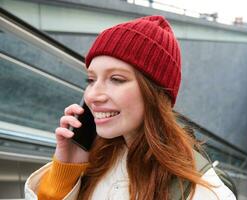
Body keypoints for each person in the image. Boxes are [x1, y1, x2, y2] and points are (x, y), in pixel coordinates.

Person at [25, 15, 236, 200]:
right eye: (91, 79)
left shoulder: (202, 192)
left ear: (155, 93)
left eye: (116, 79)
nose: (92, 95)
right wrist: (66, 170)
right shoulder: (96, 158)